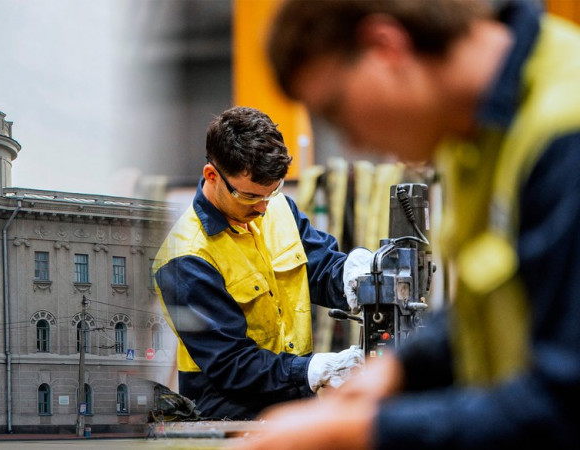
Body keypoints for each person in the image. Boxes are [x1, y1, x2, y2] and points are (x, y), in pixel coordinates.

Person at [241, 0, 580, 448]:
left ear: (386, 46)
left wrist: (356, 431)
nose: (353, 140)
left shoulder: (564, 138)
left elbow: (565, 406)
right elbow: (497, 306)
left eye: (338, 109)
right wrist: (399, 369)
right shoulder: (472, 136)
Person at [153, 106, 365, 420]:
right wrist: (315, 369)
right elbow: (232, 364)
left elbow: (317, 267)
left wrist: (355, 274)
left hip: (293, 402)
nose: (264, 207)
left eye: (273, 191)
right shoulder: (185, 258)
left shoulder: (277, 207)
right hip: (233, 417)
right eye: (250, 196)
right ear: (212, 176)